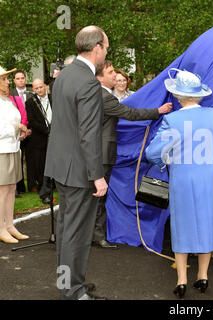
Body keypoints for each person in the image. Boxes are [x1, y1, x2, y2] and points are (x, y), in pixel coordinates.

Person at [146, 69, 213, 299]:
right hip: (209, 175)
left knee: (182, 225)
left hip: (183, 177)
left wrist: (168, 159)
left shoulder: (173, 119)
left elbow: (153, 153)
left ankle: (181, 280)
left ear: (178, 96)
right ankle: (203, 276)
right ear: (199, 94)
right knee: (206, 222)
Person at [44, 25, 109, 300]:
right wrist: (97, 175)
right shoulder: (88, 82)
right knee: (76, 234)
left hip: (61, 166)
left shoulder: (64, 75)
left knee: (66, 229)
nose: (106, 53)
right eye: (106, 48)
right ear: (96, 48)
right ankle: (72, 291)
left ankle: (69, 283)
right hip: (80, 171)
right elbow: (88, 134)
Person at [93, 61, 172, 249]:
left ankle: (94, 233)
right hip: (102, 153)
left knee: (96, 196)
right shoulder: (104, 97)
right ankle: (96, 235)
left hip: (99, 152)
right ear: (99, 76)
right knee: (98, 197)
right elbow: (129, 113)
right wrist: (157, 111)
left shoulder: (96, 93)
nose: (115, 76)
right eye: (111, 72)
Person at [0, 66, 30, 243]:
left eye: (6, 78)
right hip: (1, 151)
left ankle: (10, 225)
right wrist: (14, 128)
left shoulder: (8, 100)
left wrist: (20, 132)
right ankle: (1, 228)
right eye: (3, 79)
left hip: (13, 147)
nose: (7, 81)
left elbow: (15, 121)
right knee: (3, 190)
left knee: (11, 188)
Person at [25, 79, 53, 203]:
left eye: (41, 87)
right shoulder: (30, 102)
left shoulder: (54, 98)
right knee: (42, 166)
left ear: (45, 86)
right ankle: (44, 192)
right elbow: (32, 121)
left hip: (56, 137)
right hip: (40, 139)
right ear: (33, 90)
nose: (39, 90)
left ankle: (55, 187)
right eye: (36, 88)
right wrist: (47, 130)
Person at [10, 70, 31, 195]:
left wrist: (28, 130)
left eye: (22, 78)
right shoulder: (10, 95)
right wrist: (21, 130)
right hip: (17, 134)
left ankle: (33, 184)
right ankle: (20, 186)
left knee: (31, 160)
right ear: (14, 81)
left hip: (30, 132)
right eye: (18, 78)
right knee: (17, 161)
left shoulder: (31, 93)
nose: (21, 80)